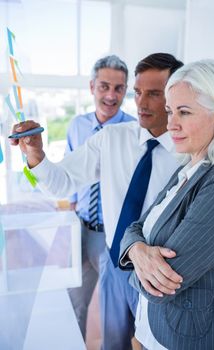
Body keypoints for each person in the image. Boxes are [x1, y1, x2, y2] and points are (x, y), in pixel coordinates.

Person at [10, 53, 183, 350]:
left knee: (160, 344)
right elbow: (62, 182)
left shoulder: (189, 151)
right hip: (115, 263)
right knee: (112, 343)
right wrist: (35, 154)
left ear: (175, 96)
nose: (141, 103)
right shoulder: (111, 138)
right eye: (138, 93)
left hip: (162, 272)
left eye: (154, 94)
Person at [119, 59, 214, 350]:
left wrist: (133, 256)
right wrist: (137, 249)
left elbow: (164, 285)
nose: (171, 124)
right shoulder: (188, 167)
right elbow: (135, 227)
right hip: (152, 331)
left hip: (186, 339)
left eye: (184, 112)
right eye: (170, 111)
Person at [66, 55, 135, 340]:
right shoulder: (77, 126)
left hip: (112, 236)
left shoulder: (134, 130)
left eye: (119, 88)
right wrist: (69, 217)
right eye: (104, 86)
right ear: (92, 86)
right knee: (75, 305)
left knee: (113, 314)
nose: (111, 95)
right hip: (78, 228)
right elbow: (70, 175)